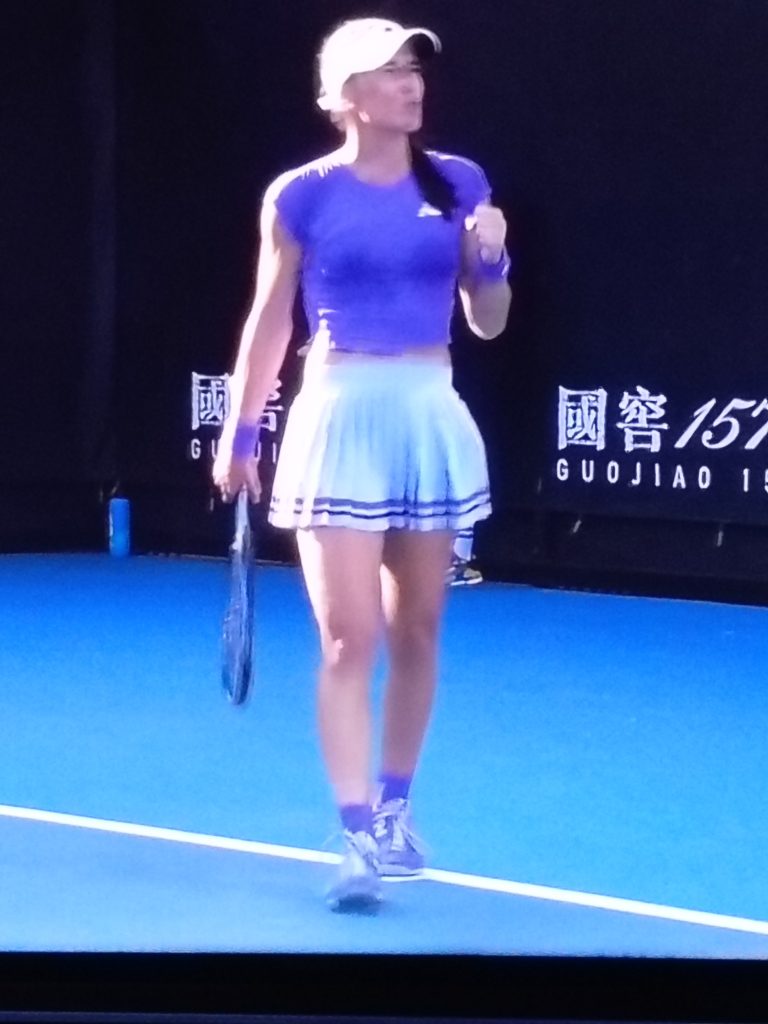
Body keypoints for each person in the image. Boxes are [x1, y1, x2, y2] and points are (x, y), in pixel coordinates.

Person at [213, 17, 511, 912]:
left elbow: (489, 318)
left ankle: (394, 812)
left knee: (417, 628)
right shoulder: (301, 196)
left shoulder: (459, 182)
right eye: (388, 71)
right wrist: (241, 431)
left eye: (414, 67)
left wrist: (490, 258)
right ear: (344, 96)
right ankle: (352, 839)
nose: (410, 82)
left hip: (427, 407)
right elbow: (272, 318)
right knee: (350, 638)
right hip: (338, 411)